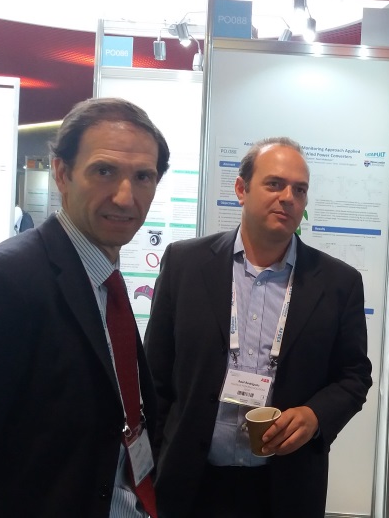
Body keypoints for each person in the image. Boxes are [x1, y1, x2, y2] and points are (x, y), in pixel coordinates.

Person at [0, 97, 170, 517]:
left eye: (143, 176)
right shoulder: (3, 285)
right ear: (61, 173)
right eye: (104, 171)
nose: (125, 197)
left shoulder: (103, 278)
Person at [145, 137, 372, 518]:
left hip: (285, 487)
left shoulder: (337, 282)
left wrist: (315, 416)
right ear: (241, 189)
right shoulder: (186, 264)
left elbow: (354, 376)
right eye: (274, 184)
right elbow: (155, 377)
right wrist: (151, 467)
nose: (288, 198)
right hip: (189, 483)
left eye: (299, 190)